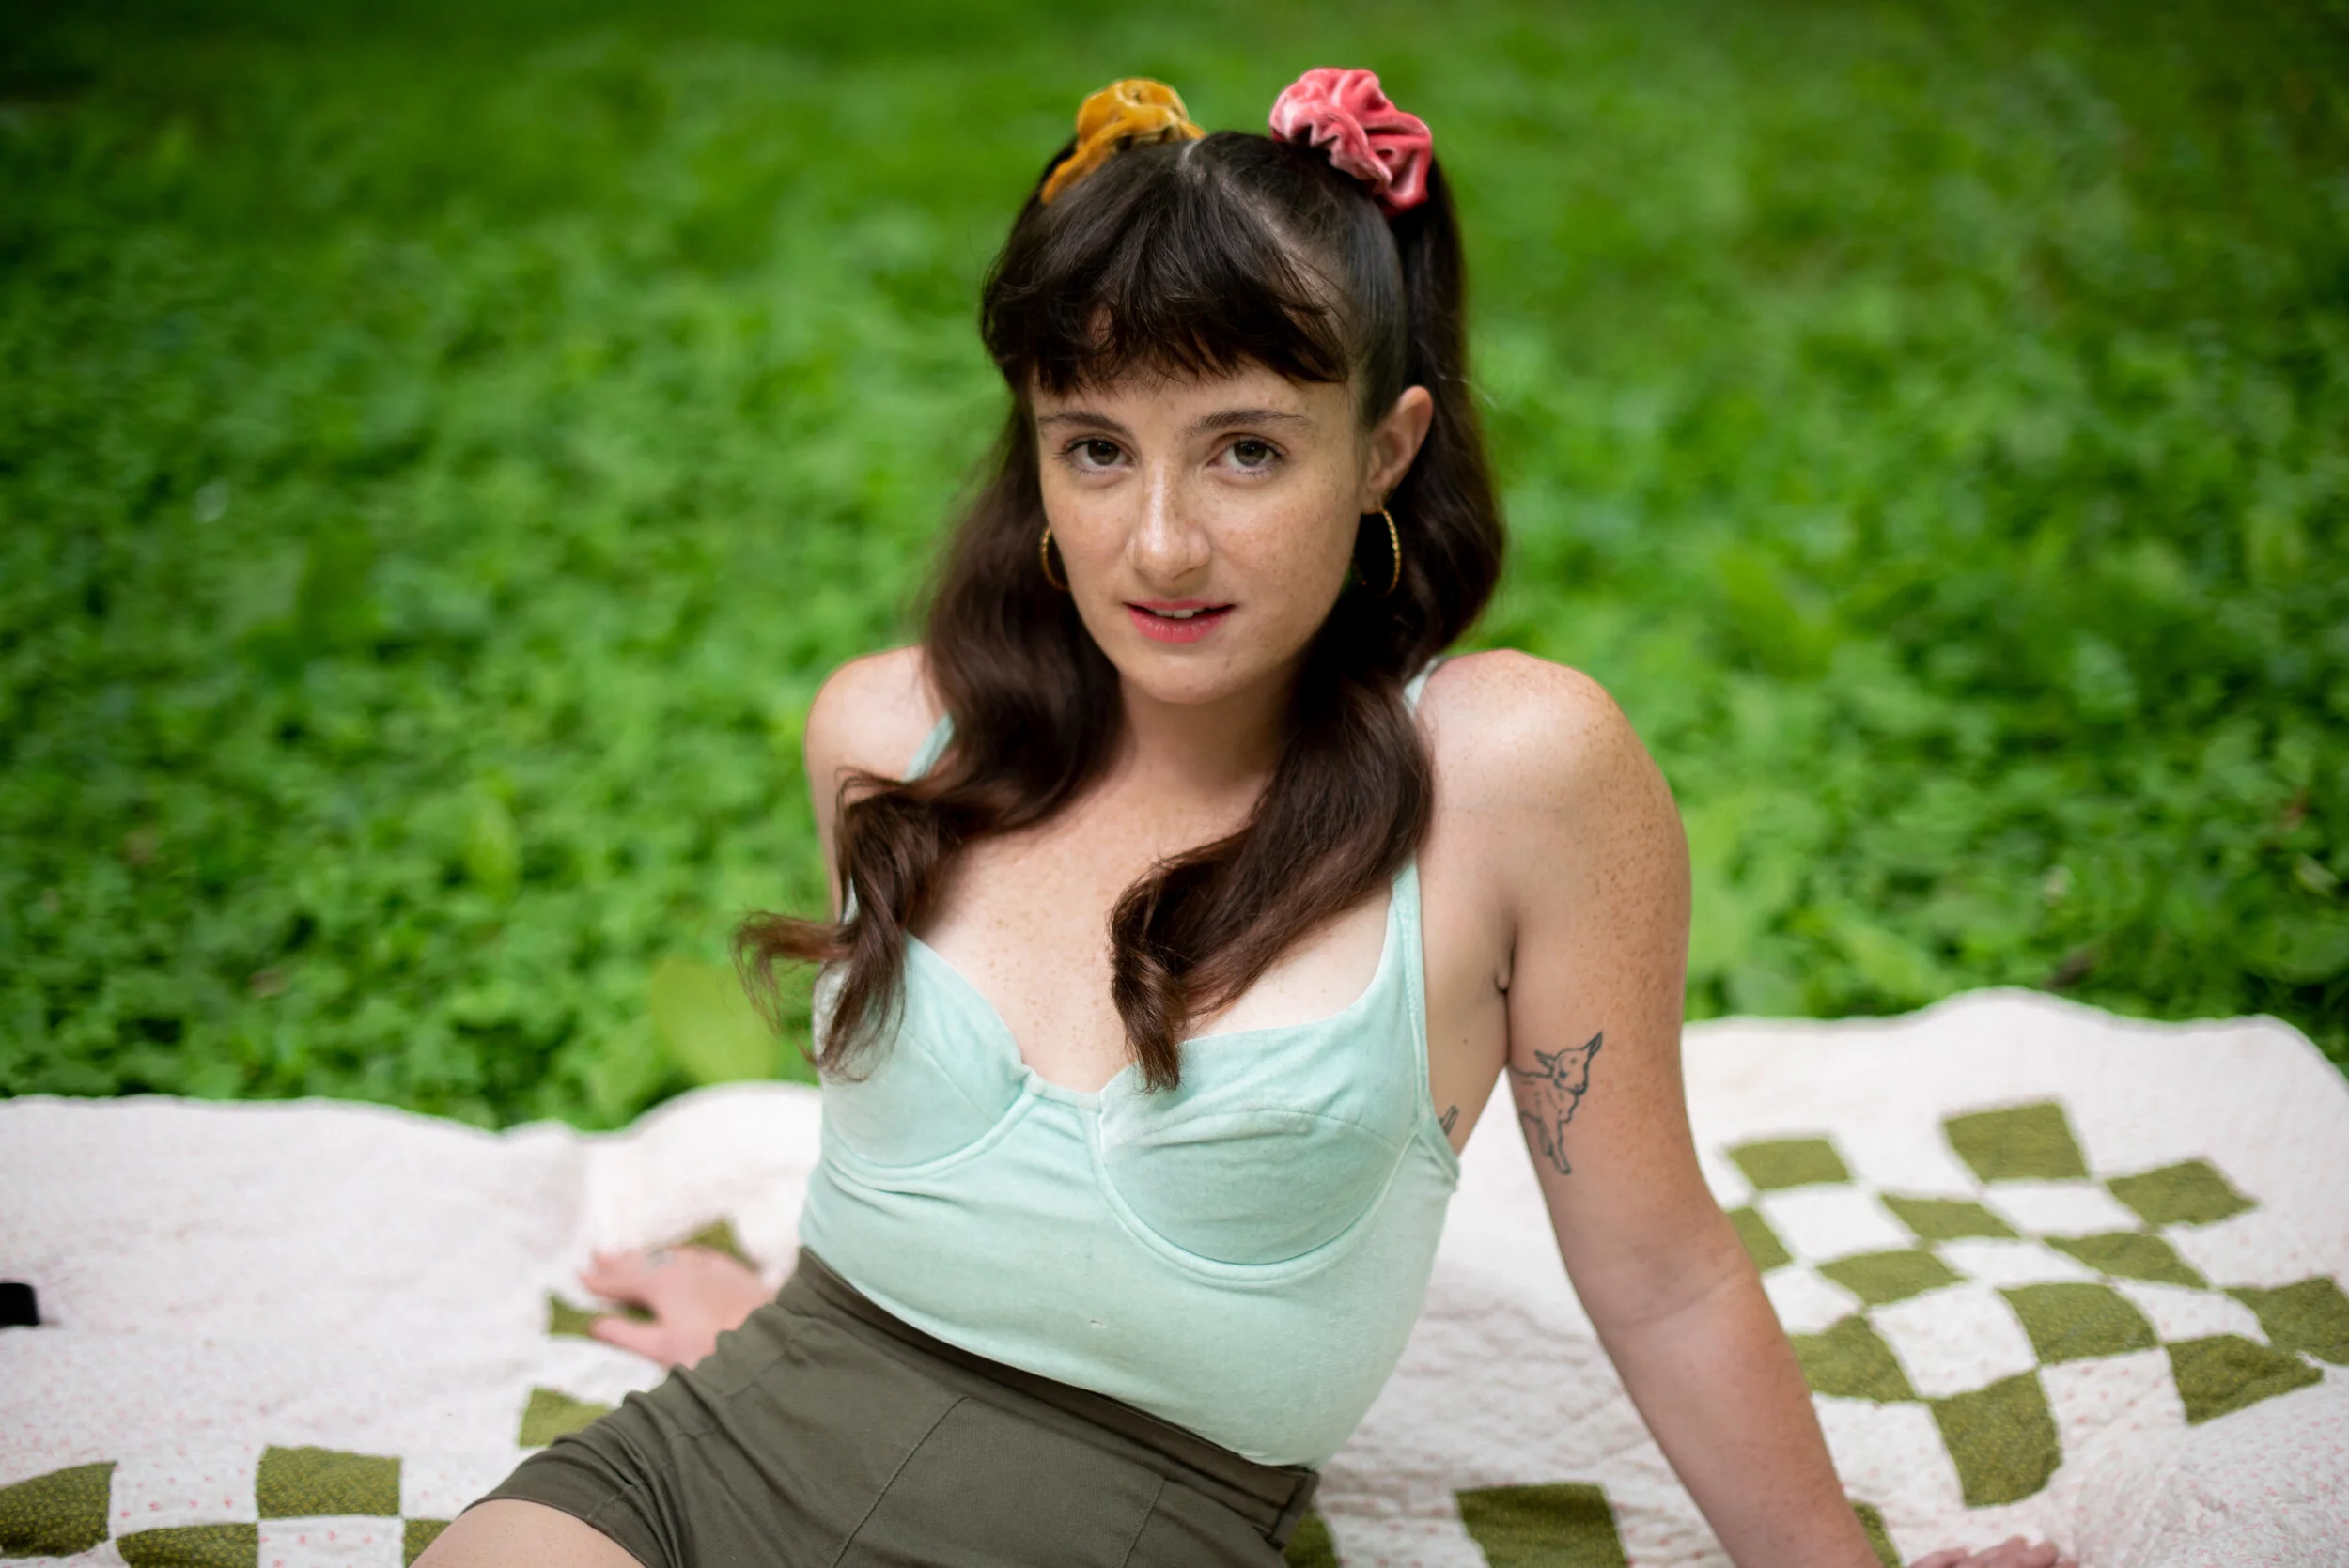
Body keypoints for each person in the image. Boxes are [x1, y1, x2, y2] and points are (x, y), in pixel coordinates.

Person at [423, 70, 2072, 1568]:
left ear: (1384, 451)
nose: (1158, 544)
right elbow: (931, 1179)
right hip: (719, 1463)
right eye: (1095, 449)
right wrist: (773, 1312)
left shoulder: (1510, 779)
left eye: (1245, 452)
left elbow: (1660, 1273)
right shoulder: (890, 738)